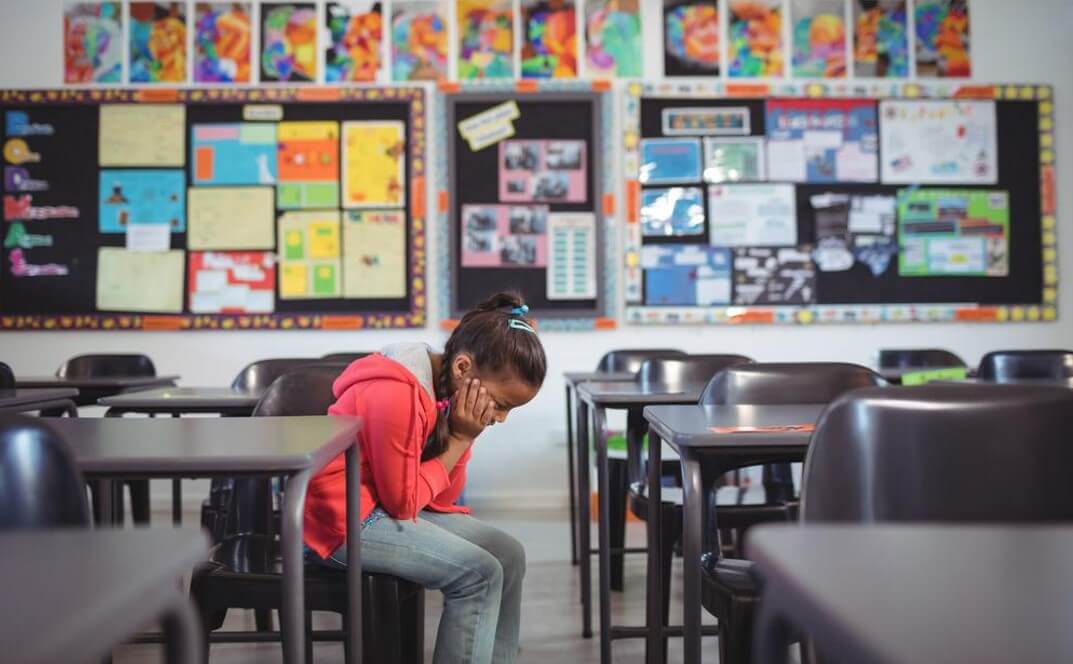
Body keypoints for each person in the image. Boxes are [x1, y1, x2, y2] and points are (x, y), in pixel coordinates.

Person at [304, 292, 546, 664]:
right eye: (500, 404)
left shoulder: (441, 388)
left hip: (381, 507)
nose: (499, 418)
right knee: (479, 575)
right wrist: (462, 436)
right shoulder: (395, 393)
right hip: (341, 522)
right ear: (464, 368)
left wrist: (459, 435)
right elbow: (404, 504)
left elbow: (442, 499)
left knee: (508, 555)